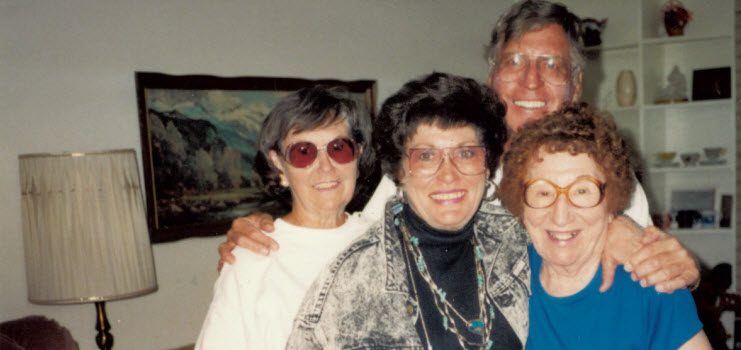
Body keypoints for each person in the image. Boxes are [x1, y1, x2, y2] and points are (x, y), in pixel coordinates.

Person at [220, 0, 698, 294]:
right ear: (493, 77)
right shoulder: (434, 159)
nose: (530, 80)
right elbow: (356, 239)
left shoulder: (609, 173)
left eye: (551, 64)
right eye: (514, 61)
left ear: (575, 83)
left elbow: (655, 270)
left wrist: (682, 266)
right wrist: (275, 237)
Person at [286, 73, 526, 349]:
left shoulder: (519, 244)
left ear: (487, 166)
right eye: (426, 156)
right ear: (399, 171)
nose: (448, 175)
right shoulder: (351, 282)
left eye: (466, 153)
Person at [497, 103, 710, 349]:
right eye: (542, 192)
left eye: (582, 191)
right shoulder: (501, 284)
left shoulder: (653, 286)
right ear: (520, 204)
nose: (560, 215)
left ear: (611, 204)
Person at [195, 87, 375, 349]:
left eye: (338, 148)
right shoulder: (251, 258)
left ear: (357, 154)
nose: (325, 166)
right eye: (304, 152)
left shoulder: (387, 242)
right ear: (278, 163)